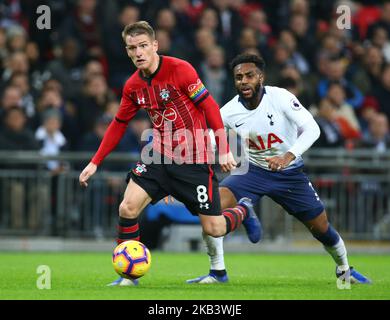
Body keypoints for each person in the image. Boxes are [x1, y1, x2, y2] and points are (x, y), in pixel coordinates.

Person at [78, 22, 261, 286]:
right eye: (132, 48)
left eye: (143, 46)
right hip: (158, 157)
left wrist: (222, 149)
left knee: (214, 228)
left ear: (154, 46)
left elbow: (209, 107)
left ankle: (242, 210)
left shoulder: (180, 70)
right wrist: (95, 162)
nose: (138, 52)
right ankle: (128, 276)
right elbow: (119, 123)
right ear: (127, 51)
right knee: (127, 207)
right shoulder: (132, 86)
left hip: (193, 158)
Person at [186, 53, 371, 285]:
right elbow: (210, 140)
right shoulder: (228, 111)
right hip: (253, 171)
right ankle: (218, 273)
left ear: (260, 77)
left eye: (249, 75)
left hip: (290, 174)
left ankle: (345, 270)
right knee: (212, 207)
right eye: (239, 77)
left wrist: (287, 156)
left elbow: (312, 129)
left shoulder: (281, 97)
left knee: (321, 228)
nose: (244, 81)